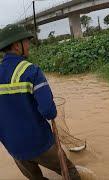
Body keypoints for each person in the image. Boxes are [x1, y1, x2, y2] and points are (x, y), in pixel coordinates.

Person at [0, 24, 80, 180]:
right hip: (39, 143)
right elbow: (48, 111)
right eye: (26, 42)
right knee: (69, 171)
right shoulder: (31, 71)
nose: (29, 45)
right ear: (17, 46)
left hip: (14, 147)